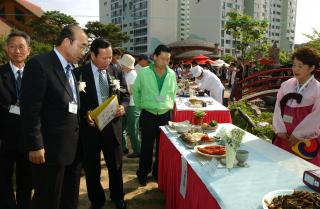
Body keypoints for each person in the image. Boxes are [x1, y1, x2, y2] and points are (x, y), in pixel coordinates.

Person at [20, 25, 88, 209]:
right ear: (67, 42)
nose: (84, 52)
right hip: (49, 151)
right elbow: (30, 109)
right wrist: (35, 145)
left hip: (72, 148)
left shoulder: (71, 69)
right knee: (48, 199)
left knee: (69, 197)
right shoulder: (39, 65)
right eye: (82, 46)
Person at [75, 38, 129, 209]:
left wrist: (123, 107)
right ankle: (96, 200)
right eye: (104, 58)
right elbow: (73, 101)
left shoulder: (116, 70)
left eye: (110, 57)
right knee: (92, 167)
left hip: (112, 126)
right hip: (90, 128)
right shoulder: (79, 74)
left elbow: (125, 95)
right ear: (93, 55)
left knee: (115, 165)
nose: (108, 61)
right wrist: (85, 113)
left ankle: (118, 196)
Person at [133, 44, 177, 186]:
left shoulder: (171, 74)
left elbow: (173, 92)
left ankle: (158, 172)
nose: (165, 62)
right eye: (162, 58)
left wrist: (168, 106)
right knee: (146, 145)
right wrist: (141, 106)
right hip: (148, 114)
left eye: (168, 59)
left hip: (165, 114)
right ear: (155, 57)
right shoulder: (144, 72)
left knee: (161, 147)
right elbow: (136, 91)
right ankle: (143, 173)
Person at [0, 30, 32, 209]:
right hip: (5, 138)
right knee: (3, 181)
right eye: (12, 47)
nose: (17, 51)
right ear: (6, 49)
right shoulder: (1, 73)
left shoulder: (37, 75)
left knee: (26, 181)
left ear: (28, 50)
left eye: (21, 47)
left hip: (29, 139)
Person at [272, 47, 320, 166]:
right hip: (284, 136)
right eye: (294, 65)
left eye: (300, 66)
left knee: (301, 169)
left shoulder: (318, 89)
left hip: (305, 139)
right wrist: (280, 129)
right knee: (279, 167)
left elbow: (317, 117)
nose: (295, 69)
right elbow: (278, 108)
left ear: (312, 68)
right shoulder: (286, 85)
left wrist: (299, 134)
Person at [119, 54, 141, 158]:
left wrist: (119, 89)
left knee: (133, 129)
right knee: (122, 127)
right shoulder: (127, 73)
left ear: (127, 65)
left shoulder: (132, 75)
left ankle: (137, 150)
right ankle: (123, 148)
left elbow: (132, 91)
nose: (121, 66)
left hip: (132, 105)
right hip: (128, 104)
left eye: (123, 64)